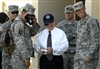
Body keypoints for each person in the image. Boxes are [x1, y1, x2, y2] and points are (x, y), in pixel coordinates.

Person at [10, 3, 40, 69]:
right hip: (19, 58)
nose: (29, 17)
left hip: (21, 57)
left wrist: (34, 24)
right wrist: (26, 57)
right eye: (29, 15)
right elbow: (20, 42)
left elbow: (32, 33)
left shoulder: (23, 24)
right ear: (23, 12)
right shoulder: (19, 24)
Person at [72, 1, 99, 69]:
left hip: (88, 59)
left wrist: (89, 55)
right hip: (79, 57)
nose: (79, 12)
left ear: (84, 8)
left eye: (80, 9)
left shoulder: (91, 22)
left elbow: (96, 40)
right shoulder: (79, 23)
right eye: (77, 11)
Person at [56, 5, 77, 69]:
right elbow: (60, 40)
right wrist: (73, 36)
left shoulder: (78, 25)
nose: (68, 15)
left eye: (70, 13)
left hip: (75, 52)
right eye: (66, 13)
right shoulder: (60, 25)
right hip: (64, 53)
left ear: (73, 13)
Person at [1, 5, 19, 69]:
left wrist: (34, 24)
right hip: (7, 56)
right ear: (8, 13)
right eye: (13, 12)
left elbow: (32, 33)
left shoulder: (21, 25)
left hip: (18, 57)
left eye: (17, 12)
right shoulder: (3, 26)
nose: (15, 14)